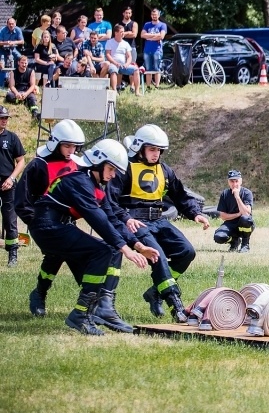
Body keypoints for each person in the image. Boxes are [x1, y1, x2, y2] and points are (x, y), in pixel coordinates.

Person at [29, 139, 157, 335]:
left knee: (106, 252)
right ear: (98, 162)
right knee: (103, 251)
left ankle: (98, 309)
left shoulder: (96, 186)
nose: (113, 175)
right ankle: (82, 314)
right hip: (48, 227)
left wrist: (138, 245)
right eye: (112, 169)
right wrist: (126, 250)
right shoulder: (80, 182)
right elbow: (98, 220)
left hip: (59, 226)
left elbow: (112, 219)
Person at [107, 124, 210, 322]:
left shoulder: (165, 170)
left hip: (159, 221)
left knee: (187, 252)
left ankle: (155, 292)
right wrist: (127, 219)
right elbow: (110, 202)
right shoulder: (123, 169)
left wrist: (195, 213)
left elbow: (180, 195)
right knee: (158, 256)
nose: (156, 154)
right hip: (136, 222)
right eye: (152, 149)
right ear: (140, 148)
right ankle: (175, 304)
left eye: (159, 150)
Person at [16, 119, 86, 316]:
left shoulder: (77, 165)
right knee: (67, 254)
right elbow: (22, 198)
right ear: (55, 143)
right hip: (45, 223)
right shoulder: (39, 165)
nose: (71, 150)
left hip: (68, 222)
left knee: (61, 254)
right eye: (67, 145)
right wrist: (36, 222)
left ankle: (40, 293)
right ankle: (91, 301)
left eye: (74, 146)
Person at [0, 106, 25, 266]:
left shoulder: (12, 138)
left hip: (8, 184)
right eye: (2, 117)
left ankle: (13, 255)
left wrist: (11, 178)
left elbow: (21, 161)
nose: (4, 120)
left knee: (10, 220)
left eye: (6, 118)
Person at [213, 170, 255, 253]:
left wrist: (237, 197)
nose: (234, 184)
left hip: (245, 223)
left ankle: (245, 245)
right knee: (218, 237)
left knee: (245, 219)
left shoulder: (247, 193)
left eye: (236, 181)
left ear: (241, 181)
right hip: (230, 224)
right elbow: (223, 216)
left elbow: (246, 213)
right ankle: (234, 241)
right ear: (228, 182)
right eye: (232, 181)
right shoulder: (225, 194)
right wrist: (238, 214)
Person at [106, 24, 141, 95]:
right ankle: (114, 91)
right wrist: (115, 63)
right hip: (113, 64)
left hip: (123, 65)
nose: (123, 33)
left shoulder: (126, 43)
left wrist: (127, 64)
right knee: (113, 71)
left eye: (123, 32)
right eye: (121, 32)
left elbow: (129, 56)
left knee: (136, 70)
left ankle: (137, 91)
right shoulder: (110, 42)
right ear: (116, 33)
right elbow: (108, 55)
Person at [5, 56, 41, 120]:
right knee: (9, 96)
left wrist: (26, 94)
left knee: (32, 98)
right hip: (17, 90)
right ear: (18, 63)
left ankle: (35, 113)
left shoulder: (31, 71)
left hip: (27, 91)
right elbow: (12, 86)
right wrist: (16, 93)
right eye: (22, 63)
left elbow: (33, 85)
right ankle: (23, 101)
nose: (24, 65)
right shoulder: (13, 72)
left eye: (25, 63)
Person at [141, 8, 168, 88]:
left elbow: (161, 36)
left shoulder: (162, 25)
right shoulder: (147, 25)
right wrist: (156, 36)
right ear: (151, 15)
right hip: (147, 49)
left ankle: (157, 85)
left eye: (155, 15)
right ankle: (148, 86)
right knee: (148, 68)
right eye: (153, 15)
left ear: (158, 15)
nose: (154, 16)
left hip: (157, 50)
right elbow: (142, 35)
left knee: (157, 68)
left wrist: (148, 36)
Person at [0, 17, 24, 88]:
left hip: (13, 49)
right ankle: (1, 86)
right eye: (9, 24)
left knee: (21, 59)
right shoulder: (2, 30)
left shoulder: (18, 30)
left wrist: (14, 42)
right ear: (7, 24)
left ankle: (18, 82)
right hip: (2, 49)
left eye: (12, 24)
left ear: (15, 24)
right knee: (1, 65)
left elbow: (22, 41)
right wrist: (6, 43)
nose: (11, 25)